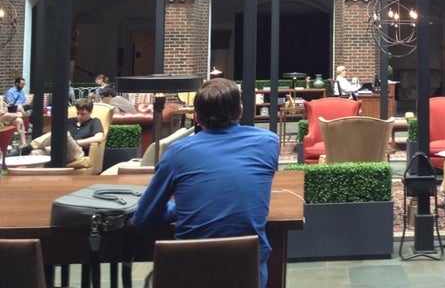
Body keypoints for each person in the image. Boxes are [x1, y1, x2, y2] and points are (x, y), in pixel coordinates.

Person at [133, 78, 279, 288]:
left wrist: (176, 209)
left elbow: (144, 218)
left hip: (188, 276)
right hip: (247, 276)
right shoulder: (268, 142)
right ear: (240, 111)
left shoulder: (177, 153)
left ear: (197, 117)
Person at [22, 98, 104, 162]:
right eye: (78, 113)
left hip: (77, 152)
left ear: (90, 112)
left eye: (83, 114)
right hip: (61, 150)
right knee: (35, 153)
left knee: (64, 134)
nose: (79, 116)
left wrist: (77, 142)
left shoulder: (94, 122)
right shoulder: (71, 121)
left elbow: (98, 138)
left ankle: (30, 146)